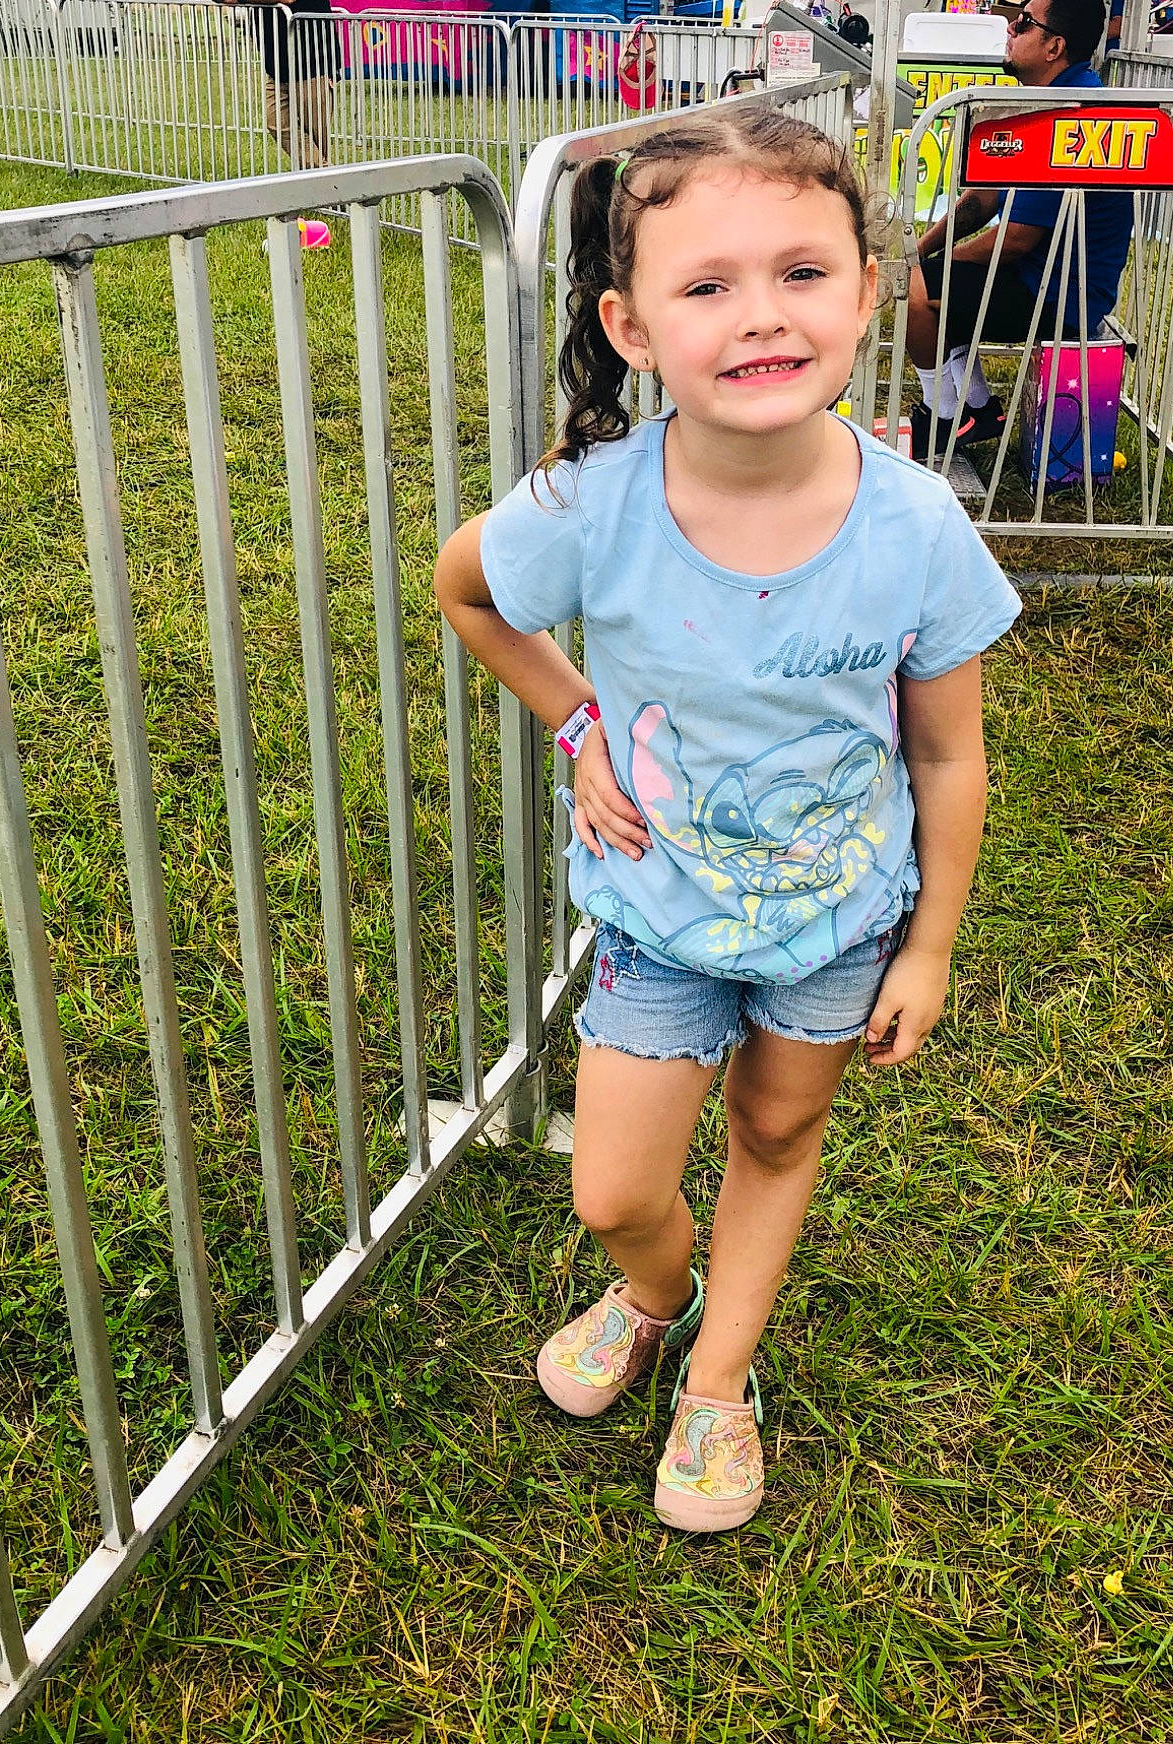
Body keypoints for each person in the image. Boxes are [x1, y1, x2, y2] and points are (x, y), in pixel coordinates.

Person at [434, 108, 1020, 1534]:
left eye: (801, 273)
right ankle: (656, 1294)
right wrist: (580, 722)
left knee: (775, 1130)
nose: (761, 315)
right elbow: (466, 590)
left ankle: (718, 1374)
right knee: (614, 1190)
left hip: (839, 924)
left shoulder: (919, 526)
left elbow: (948, 754)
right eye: (708, 285)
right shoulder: (593, 504)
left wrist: (930, 946)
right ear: (632, 327)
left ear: (867, 293)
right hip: (658, 913)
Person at [905, 0, 1133, 458]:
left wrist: (924, 270)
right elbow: (981, 200)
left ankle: (944, 417)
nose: (1010, 28)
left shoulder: (1074, 114)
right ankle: (977, 410)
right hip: (1037, 275)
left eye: (1024, 23)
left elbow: (1014, 241)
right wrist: (919, 250)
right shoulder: (1045, 100)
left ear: (1054, 47)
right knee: (923, 276)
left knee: (917, 291)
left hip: (1060, 294)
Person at [206, 0, 336, 169]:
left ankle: (321, 182)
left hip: (314, 62)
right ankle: (325, 176)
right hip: (276, 64)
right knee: (275, 122)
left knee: (315, 134)